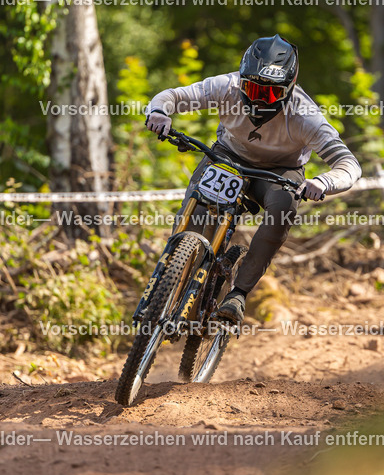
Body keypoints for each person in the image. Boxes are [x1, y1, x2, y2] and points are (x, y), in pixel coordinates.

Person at [144, 34, 361, 324]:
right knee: (196, 204)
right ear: (241, 80)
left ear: (288, 89)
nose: (258, 98)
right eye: (252, 87)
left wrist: (323, 182)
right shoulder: (227, 86)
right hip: (228, 155)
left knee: (282, 208)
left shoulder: (305, 115)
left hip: (279, 171)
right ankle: (172, 271)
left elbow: (349, 164)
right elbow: (172, 96)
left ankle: (238, 294)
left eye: (269, 94)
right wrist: (159, 112)